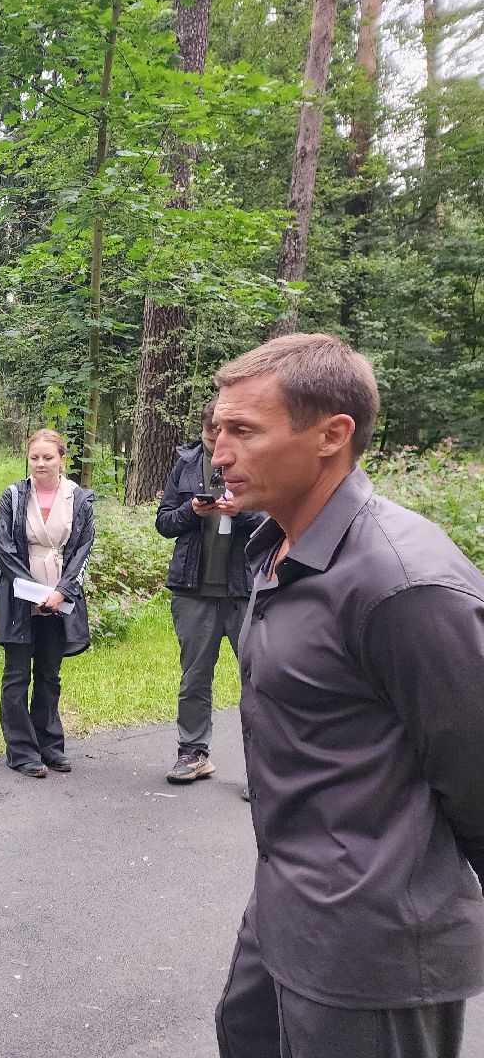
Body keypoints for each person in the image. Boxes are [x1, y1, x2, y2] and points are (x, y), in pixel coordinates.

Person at [210, 333, 484, 1058]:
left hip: (375, 951)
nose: (219, 452)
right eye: (217, 430)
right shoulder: (273, 549)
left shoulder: (403, 583)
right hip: (283, 911)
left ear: (332, 436)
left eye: (243, 431)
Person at [154, 400, 264, 786]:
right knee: (195, 676)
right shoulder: (185, 463)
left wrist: (244, 513)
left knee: (256, 678)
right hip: (193, 589)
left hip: (244, 589)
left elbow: (277, 520)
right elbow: (164, 522)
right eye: (210, 435)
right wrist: (190, 512)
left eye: (224, 434)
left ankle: (262, 769)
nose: (217, 444)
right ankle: (193, 753)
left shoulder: (257, 462)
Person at [0, 429, 96, 777]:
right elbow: (3, 550)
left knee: (50, 675)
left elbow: (82, 550)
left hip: (61, 599)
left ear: (62, 460)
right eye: (34, 457)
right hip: (20, 599)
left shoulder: (79, 499)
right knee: (17, 675)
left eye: (48, 457)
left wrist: (60, 591)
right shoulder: (13, 496)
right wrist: (36, 592)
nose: (40, 463)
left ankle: (50, 746)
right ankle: (21, 751)